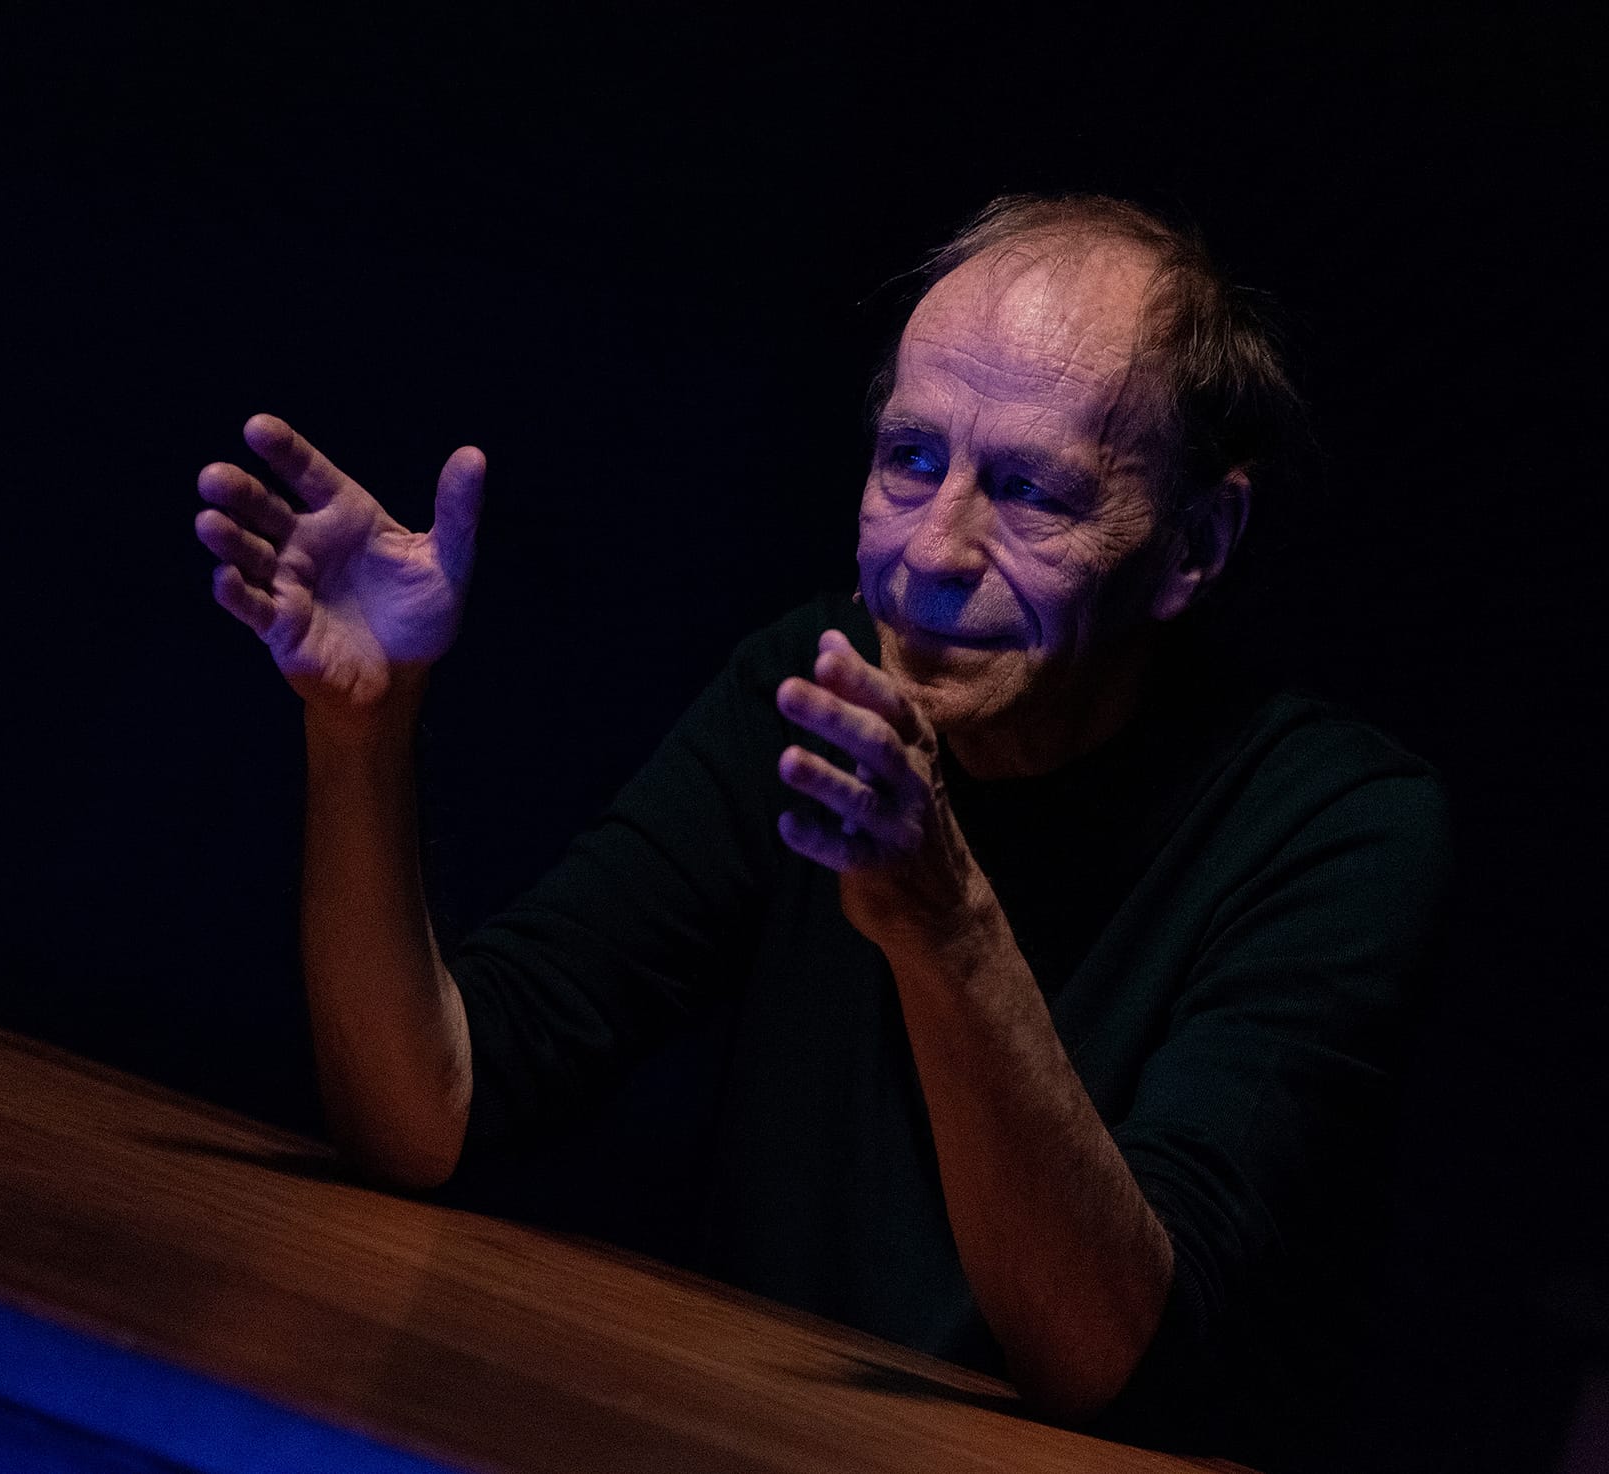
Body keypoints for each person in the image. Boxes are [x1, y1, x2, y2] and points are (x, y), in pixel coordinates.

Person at [192, 194, 1449, 1461]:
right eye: (912, 460)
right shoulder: (808, 686)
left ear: (1196, 542)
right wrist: (364, 731)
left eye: (1029, 490)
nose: (935, 550)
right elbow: (427, 1115)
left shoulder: (1335, 826)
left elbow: (1108, 1355)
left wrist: (947, 924)